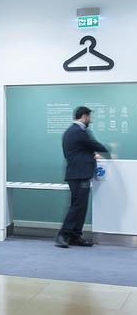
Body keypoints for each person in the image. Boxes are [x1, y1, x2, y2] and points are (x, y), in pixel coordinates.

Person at [56, 106, 109, 248]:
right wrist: (107, 148)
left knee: (80, 206)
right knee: (77, 206)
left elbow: (81, 150)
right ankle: (63, 235)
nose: (90, 120)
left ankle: (75, 236)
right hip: (79, 175)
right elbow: (93, 144)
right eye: (89, 117)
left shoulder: (72, 131)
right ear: (84, 116)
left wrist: (91, 154)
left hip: (78, 174)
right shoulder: (79, 131)